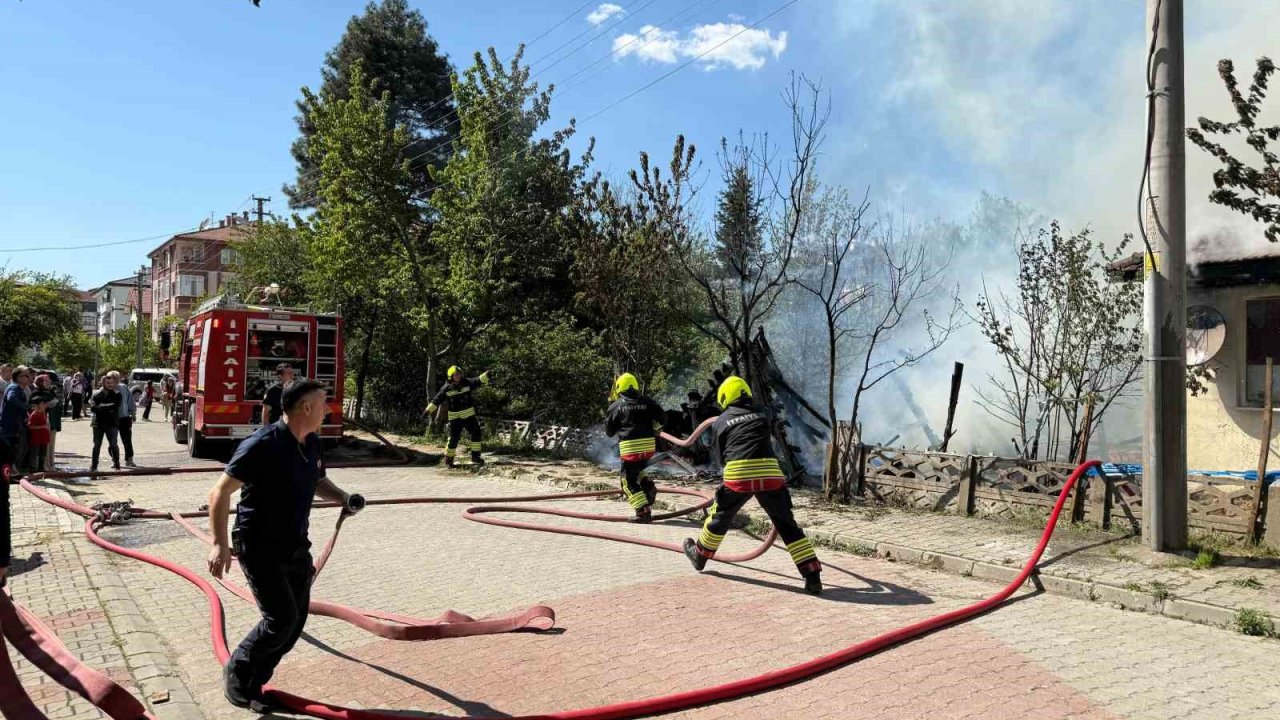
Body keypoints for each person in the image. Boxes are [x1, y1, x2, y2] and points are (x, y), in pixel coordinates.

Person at [206, 379, 365, 712]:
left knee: (295, 621)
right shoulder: (261, 445)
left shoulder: (311, 443)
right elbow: (218, 494)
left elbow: (318, 480)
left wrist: (343, 498)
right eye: (324, 402)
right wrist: (220, 544)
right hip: (259, 547)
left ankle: (255, 681)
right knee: (280, 620)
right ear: (305, 407)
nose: (328, 408)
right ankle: (238, 673)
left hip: (295, 546)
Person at [683, 376, 823, 595]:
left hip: (739, 474)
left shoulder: (721, 421)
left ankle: (700, 556)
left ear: (724, 396)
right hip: (770, 473)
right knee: (787, 525)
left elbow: (720, 457)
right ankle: (812, 575)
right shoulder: (763, 413)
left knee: (719, 517)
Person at [604, 373, 666, 523]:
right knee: (636, 471)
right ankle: (648, 485)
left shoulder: (616, 406)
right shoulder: (648, 402)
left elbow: (609, 432)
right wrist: (655, 428)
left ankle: (642, 512)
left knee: (627, 481)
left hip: (631, 448)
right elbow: (663, 418)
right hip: (649, 447)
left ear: (619, 388)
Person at [425, 366, 490, 469]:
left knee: (476, 434)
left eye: (459, 374)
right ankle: (449, 459)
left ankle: (476, 457)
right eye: (455, 375)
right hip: (455, 419)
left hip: (469, 416)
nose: (458, 376)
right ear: (451, 376)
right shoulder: (446, 388)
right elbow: (437, 399)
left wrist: (486, 375)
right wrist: (428, 410)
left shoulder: (467, 383)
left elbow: (477, 380)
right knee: (454, 439)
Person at [0, 367, 31, 477]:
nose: (29, 378)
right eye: (25, 376)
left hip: (14, 426)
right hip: (9, 427)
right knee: (9, 452)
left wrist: (25, 416)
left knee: (15, 451)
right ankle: (9, 475)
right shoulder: (14, 388)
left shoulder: (19, 389)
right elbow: (12, 398)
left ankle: (10, 474)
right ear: (17, 378)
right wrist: (25, 407)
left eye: (28, 375)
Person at [88, 375, 122, 472]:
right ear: (103, 383)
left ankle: (117, 465)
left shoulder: (117, 394)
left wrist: (101, 406)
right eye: (108, 383)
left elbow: (116, 406)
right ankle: (94, 466)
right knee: (96, 445)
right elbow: (93, 408)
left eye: (112, 383)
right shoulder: (96, 395)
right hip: (98, 423)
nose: (110, 385)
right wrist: (107, 407)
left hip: (112, 423)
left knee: (113, 445)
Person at [114, 372, 138, 467]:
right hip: (112, 419)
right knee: (112, 442)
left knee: (127, 440)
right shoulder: (107, 388)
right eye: (113, 378)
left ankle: (129, 459)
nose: (116, 380)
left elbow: (130, 400)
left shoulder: (123, 387)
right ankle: (115, 460)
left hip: (124, 417)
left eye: (117, 378)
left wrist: (133, 413)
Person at [25, 394, 51, 473]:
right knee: (35, 455)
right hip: (36, 439)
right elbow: (30, 426)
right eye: (43, 404)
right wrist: (43, 426)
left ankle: (41, 468)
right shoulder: (34, 414)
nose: (45, 405)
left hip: (43, 439)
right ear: (37, 405)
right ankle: (34, 470)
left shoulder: (43, 413)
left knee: (43, 454)